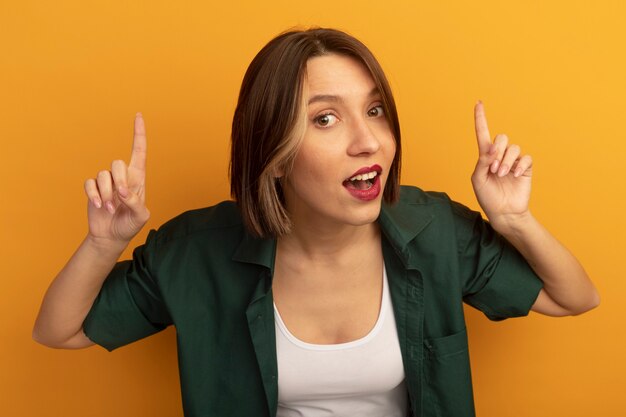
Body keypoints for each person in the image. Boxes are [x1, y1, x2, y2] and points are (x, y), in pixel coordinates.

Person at [33, 27, 599, 417]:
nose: (368, 140)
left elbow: (573, 296)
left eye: (375, 109)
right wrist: (103, 243)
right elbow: (58, 331)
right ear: (274, 151)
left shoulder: (435, 231)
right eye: (325, 118)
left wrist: (514, 218)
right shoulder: (194, 251)